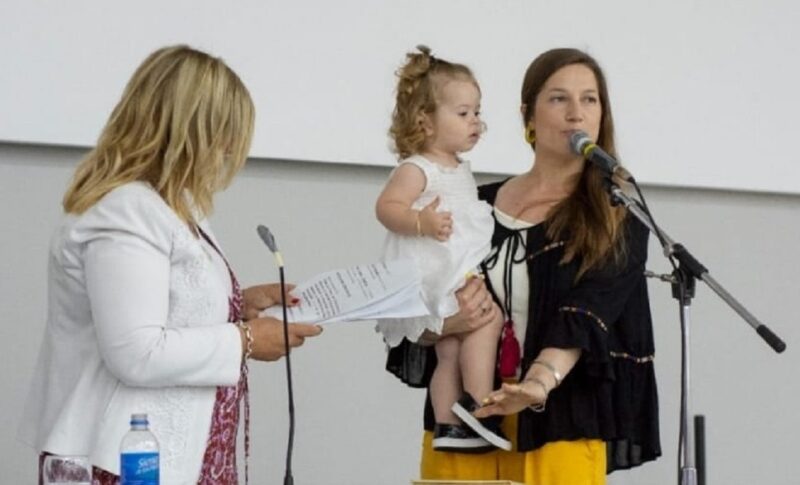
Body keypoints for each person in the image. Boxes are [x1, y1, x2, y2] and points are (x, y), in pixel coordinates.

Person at [17, 45, 323, 484]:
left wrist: (240, 304)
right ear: (192, 130)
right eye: (225, 133)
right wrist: (247, 339)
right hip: (124, 458)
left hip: (170, 452)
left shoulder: (169, 205)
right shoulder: (125, 211)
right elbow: (136, 351)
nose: (229, 149)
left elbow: (166, 306)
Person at [386, 48, 661, 484]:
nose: (576, 113)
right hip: (462, 428)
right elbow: (411, 298)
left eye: (590, 100)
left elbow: (589, 313)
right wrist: (447, 324)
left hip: (558, 424)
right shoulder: (473, 205)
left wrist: (536, 384)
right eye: (558, 98)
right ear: (528, 115)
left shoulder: (615, 214)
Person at [375, 46, 509, 451]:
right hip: (437, 272)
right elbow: (386, 207)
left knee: (450, 348)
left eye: (477, 112)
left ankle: (448, 426)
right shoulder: (419, 167)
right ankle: (479, 404)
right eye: (463, 113)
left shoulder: (457, 167)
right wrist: (422, 222)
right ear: (426, 121)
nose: (475, 122)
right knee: (487, 320)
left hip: (451, 269)